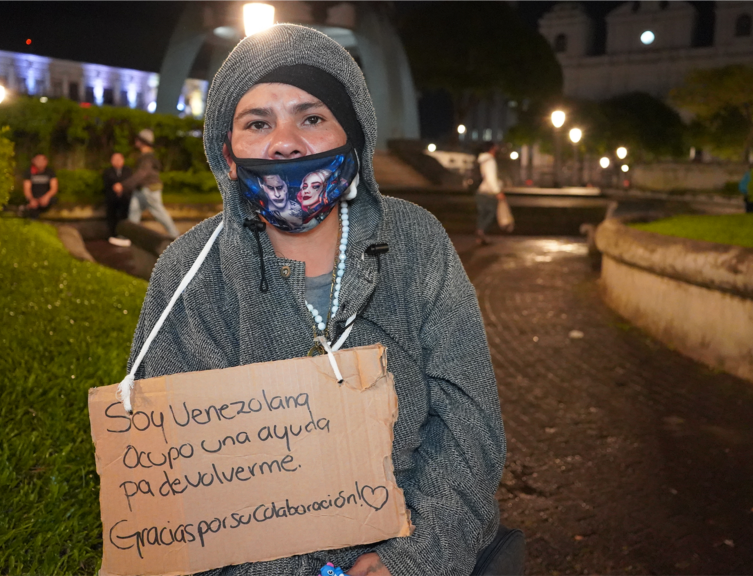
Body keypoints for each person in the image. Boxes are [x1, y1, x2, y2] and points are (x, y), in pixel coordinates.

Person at [125, 25, 510, 576]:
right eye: (258, 123)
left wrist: (411, 560)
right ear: (227, 153)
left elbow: (468, 427)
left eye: (311, 118)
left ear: (351, 139)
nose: (285, 142)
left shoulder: (417, 242)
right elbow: (177, 482)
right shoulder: (188, 273)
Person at [115, 129, 180, 238]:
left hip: (149, 189)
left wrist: (123, 186)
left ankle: (175, 235)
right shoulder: (145, 156)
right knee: (134, 213)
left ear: (143, 142)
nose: (136, 141)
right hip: (141, 189)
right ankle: (129, 237)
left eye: (138, 139)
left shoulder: (148, 158)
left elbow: (141, 174)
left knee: (159, 213)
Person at [474, 141, 504, 245]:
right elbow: (491, 178)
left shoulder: (481, 160)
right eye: (495, 148)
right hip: (488, 192)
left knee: (482, 214)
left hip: (480, 191)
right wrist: (497, 192)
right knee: (491, 213)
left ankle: (480, 236)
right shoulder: (490, 161)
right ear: (492, 149)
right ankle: (481, 231)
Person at [103, 152, 133, 246]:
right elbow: (108, 183)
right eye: (115, 160)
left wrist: (121, 188)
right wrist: (116, 188)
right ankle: (113, 234)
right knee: (111, 211)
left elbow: (129, 182)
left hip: (125, 197)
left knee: (126, 211)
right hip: (112, 197)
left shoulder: (128, 170)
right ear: (111, 161)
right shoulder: (107, 172)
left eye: (119, 159)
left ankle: (124, 234)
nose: (117, 162)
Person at [22, 153, 58, 219]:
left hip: (46, 197)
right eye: (38, 160)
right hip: (34, 197)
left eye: (43, 160)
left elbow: (54, 188)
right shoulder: (29, 172)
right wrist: (31, 199)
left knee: (50, 201)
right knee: (33, 207)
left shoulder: (50, 172)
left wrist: (46, 197)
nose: (40, 162)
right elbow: (26, 189)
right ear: (33, 161)